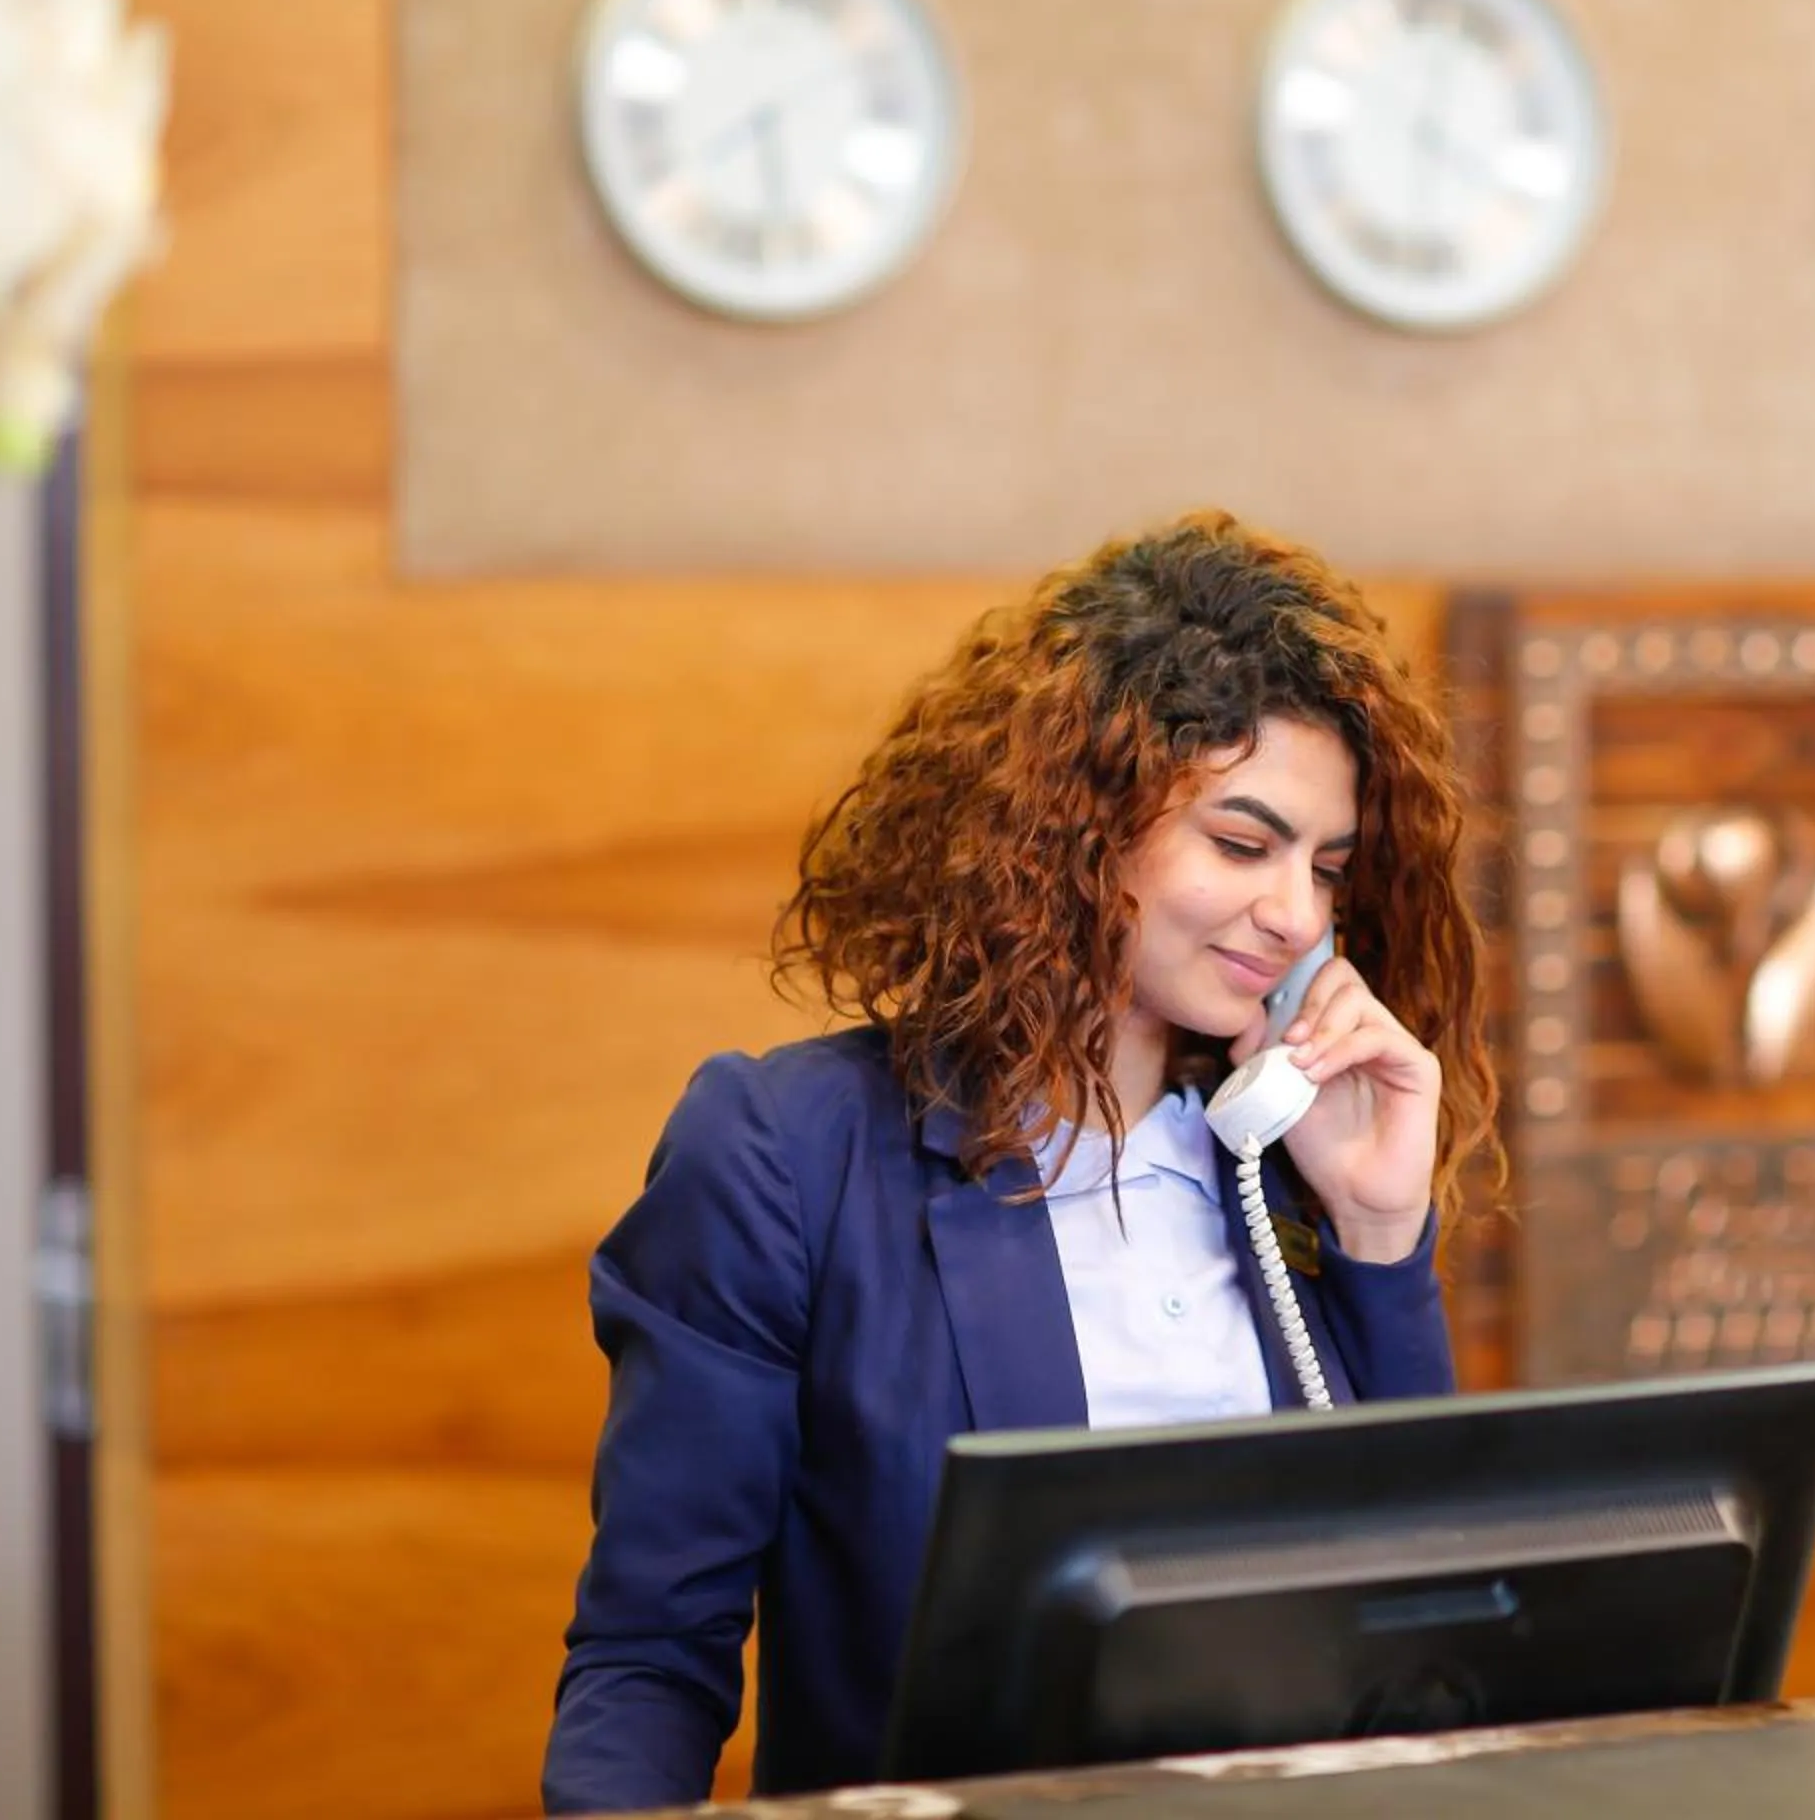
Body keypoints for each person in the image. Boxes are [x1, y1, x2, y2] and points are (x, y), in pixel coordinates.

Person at [538, 512, 1501, 1814]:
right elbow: (652, 1655)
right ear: (1075, 826)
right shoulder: (789, 1154)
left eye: (1328, 869)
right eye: (1241, 844)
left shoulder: (1287, 1170)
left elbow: (1437, 1661)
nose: (1298, 916)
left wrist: (1384, 1240)